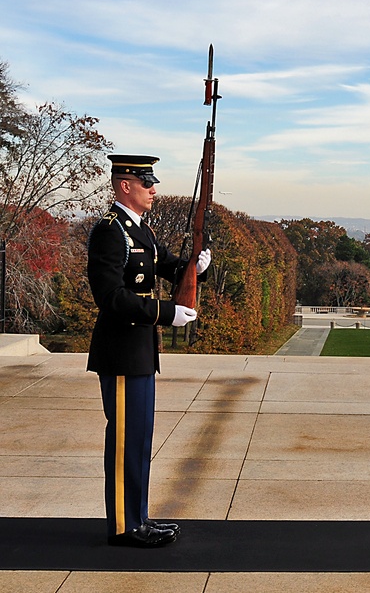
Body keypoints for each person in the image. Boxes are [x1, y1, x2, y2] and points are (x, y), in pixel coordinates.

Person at [87, 154, 210, 548]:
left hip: (139, 352)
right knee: (125, 439)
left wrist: (194, 267)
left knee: (139, 439)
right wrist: (166, 313)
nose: (154, 189)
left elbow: (168, 267)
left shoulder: (140, 229)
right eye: (146, 183)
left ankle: (137, 517)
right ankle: (124, 526)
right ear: (125, 186)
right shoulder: (110, 231)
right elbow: (111, 298)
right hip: (121, 350)